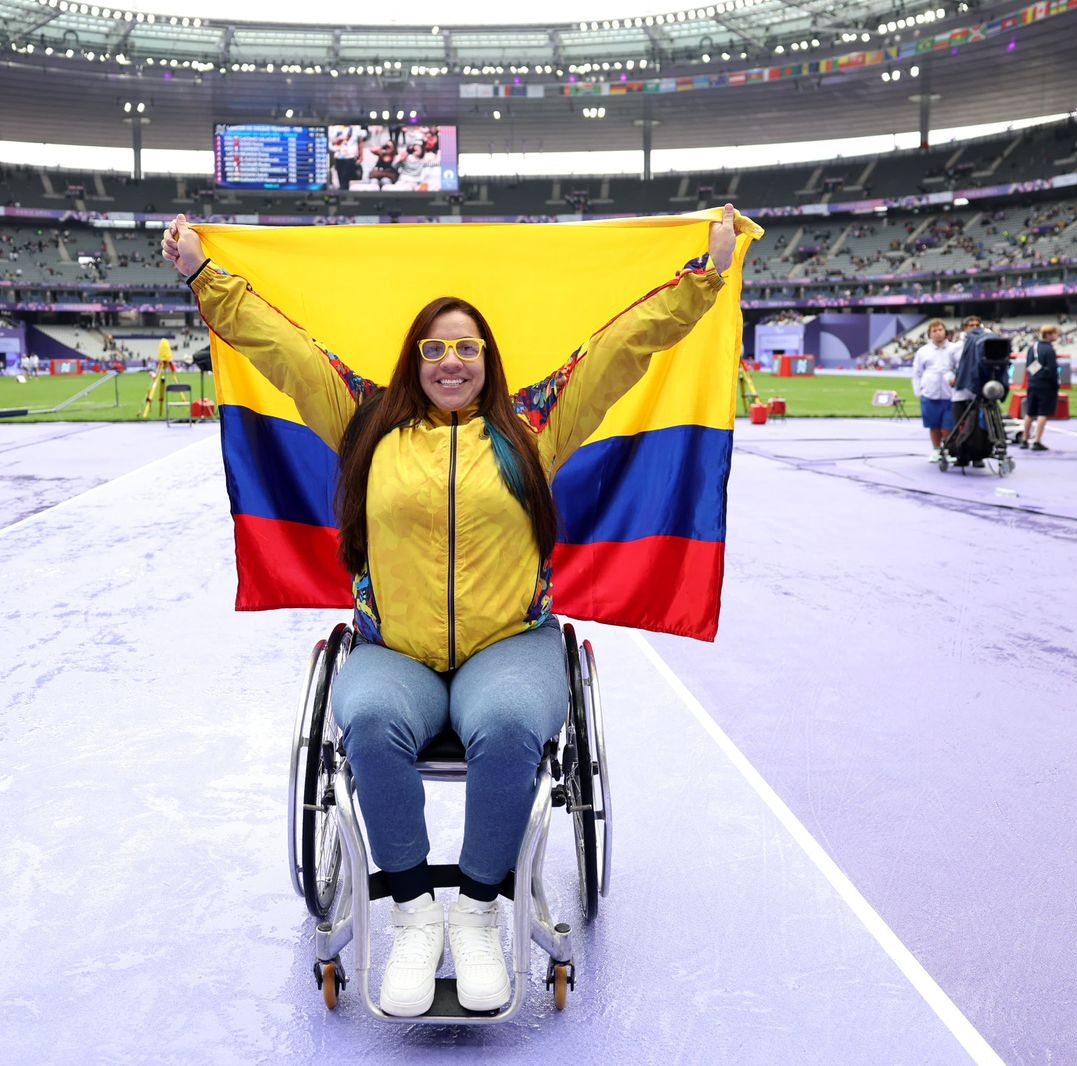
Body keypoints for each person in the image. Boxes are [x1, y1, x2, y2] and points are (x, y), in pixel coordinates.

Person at [162, 207, 739, 1017]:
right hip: (394, 649)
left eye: (466, 347)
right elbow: (281, 350)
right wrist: (201, 275)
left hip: (511, 644)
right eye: (435, 348)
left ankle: (475, 911)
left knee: (507, 726)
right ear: (415, 361)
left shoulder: (535, 427)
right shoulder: (367, 423)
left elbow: (621, 351)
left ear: (488, 360)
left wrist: (704, 278)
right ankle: (412, 913)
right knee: (362, 722)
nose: (450, 361)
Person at [911, 318, 956, 461]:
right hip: (930, 393)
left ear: (945, 331)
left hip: (950, 394)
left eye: (940, 330)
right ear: (930, 334)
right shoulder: (923, 351)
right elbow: (917, 373)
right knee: (934, 425)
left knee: (948, 426)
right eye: (934, 331)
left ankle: (948, 450)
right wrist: (919, 392)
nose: (937, 333)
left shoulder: (954, 349)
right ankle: (936, 450)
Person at [1021, 324, 1061, 452]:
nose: (1056, 336)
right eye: (1055, 333)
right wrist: (1055, 385)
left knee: (1030, 412)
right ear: (1049, 335)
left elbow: (1029, 366)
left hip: (1033, 384)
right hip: (1046, 385)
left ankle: (1025, 439)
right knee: (1043, 413)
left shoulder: (1033, 347)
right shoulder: (1049, 350)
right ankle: (1037, 441)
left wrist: (1036, 376)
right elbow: (1053, 370)